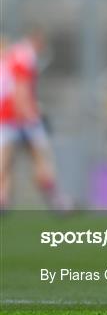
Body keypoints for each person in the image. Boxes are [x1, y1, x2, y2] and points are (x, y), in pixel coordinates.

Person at [0, 31, 70, 210]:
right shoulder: (24, 57)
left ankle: (4, 200)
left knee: (6, 163)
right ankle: (57, 201)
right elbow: (20, 90)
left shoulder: (11, 57)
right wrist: (30, 115)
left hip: (7, 118)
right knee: (42, 159)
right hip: (17, 118)